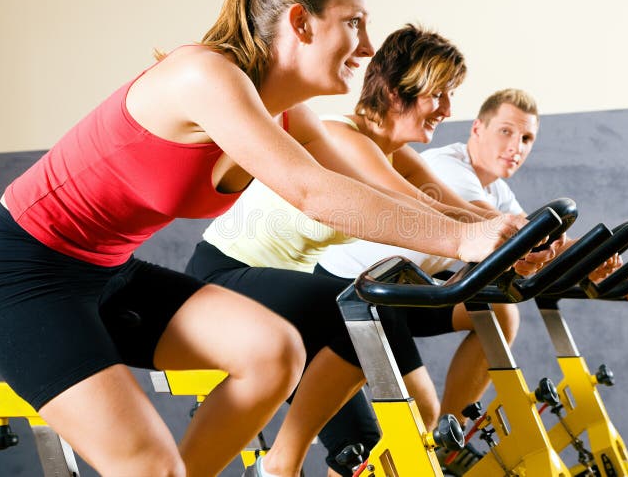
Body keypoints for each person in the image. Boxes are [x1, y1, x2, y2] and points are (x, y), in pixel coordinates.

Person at [0, 0, 520, 477]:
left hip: (107, 272)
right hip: (23, 279)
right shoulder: (203, 76)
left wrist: (490, 232)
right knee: (147, 464)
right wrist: (460, 237)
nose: (367, 46)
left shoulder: (281, 108)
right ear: (301, 22)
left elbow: (372, 186)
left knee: (273, 351)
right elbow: (312, 190)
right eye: (354, 23)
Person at [186, 26, 553, 477]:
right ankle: (276, 467)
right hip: (228, 278)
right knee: (367, 314)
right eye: (438, 93)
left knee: (364, 446)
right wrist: (495, 237)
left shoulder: (393, 151)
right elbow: (414, 207)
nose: (447, 109)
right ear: (400, 89)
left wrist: (534, 239)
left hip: (289, 291)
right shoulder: (341, 137)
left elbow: (454, 210)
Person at [317, 88, 628, 475]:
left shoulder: (498, 189)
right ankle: (443, 443)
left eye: (526, 139)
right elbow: (511, 239)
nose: (516, 147)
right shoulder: (449, 168)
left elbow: (536, 249)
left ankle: (447, 444)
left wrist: (601, 268)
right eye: (507, 132)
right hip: (360, 291)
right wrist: (580, 253)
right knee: (365, 444)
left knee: (496, 315)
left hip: (407, 292)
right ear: (478, 128)